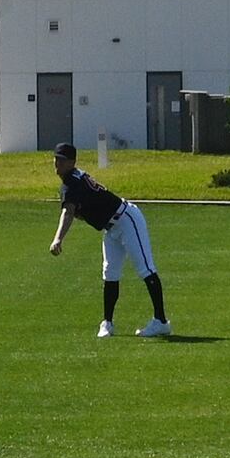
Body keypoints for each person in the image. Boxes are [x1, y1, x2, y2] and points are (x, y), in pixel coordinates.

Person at [50, 144, 169, 339]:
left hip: (126, 219)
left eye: (62, 160)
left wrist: (58, 239)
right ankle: (107, 323)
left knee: (145, 268)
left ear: (72, 162)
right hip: (111, 227)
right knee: (110, 272)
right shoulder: (72, 179)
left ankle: (161, 322)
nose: (57, 163)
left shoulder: (71, 181)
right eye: (56, 159)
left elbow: (68, 212)